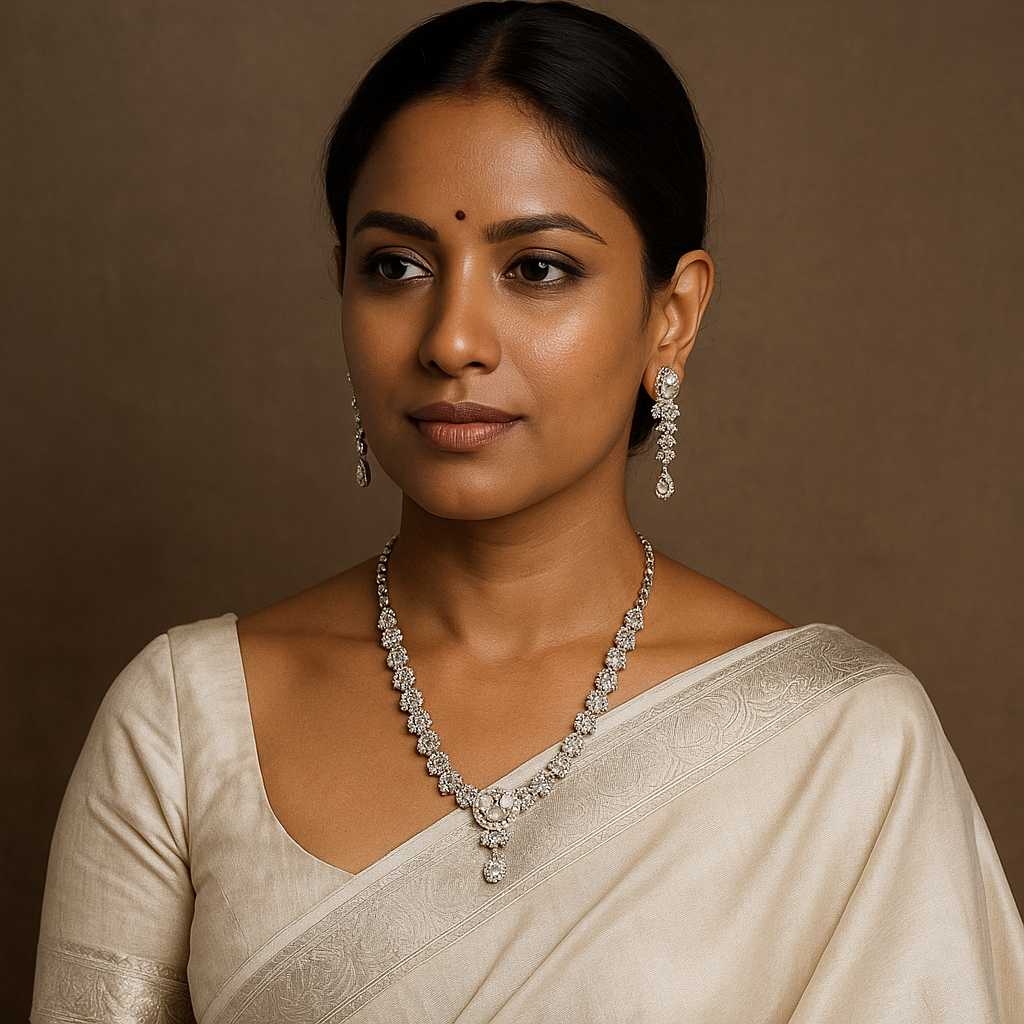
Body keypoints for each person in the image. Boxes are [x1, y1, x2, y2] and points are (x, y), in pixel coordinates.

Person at [31, 2, 1024, 1021]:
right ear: (341, 289)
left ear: (671, 317)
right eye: (396, 267)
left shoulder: (841, 744)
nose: (452, 339)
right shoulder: (186, 727)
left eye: (537, 269)